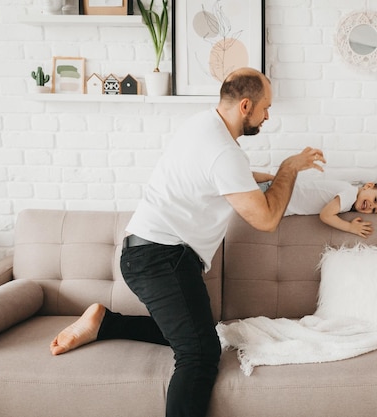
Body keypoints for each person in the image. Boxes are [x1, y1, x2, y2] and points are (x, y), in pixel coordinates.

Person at [48, 67, 326, 417]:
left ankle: (107, 323)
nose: (268, 115)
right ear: (245, 106)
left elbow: (218, 171)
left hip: (146, 253)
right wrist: (288, 168)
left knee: (197, 334)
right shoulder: (225, 153)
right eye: (265, 107)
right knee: (200, 354)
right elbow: (267, 219)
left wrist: (264, 175)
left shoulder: (201, 125)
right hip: (161, 258)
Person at [257, 178, 377, 238]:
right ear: (368, 186)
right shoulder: (350, 194)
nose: (371, 206)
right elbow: (326, 215)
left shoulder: (348, 193)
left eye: (374, 211)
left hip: (275, 198)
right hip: (272, 196)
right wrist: (350, 227)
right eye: (375, 200)